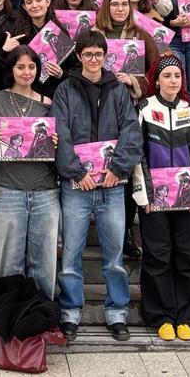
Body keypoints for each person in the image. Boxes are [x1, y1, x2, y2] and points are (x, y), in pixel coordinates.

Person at [51, 31, 143, 342]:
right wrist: (75, 172)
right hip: (76, 185)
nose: (93, 59)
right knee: (71, 254)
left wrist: (119, 168)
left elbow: (131, 129)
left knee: (115, 255)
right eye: (88, 54)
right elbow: (59, 133)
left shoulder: (117, 89)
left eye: (98, 54)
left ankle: (117, 313)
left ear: (105, 56)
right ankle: (70, 312)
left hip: (111, 185)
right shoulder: (65, 89)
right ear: (78, 56)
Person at [131, 54, 190, 342]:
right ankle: (161, 316)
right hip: (155, 200)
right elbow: (138, 156)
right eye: (167, 76)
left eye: (177, 76)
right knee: (157, 257)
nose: (172, 81)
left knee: (188, 256)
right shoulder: (146, 110)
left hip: (187, 198)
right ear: (157, 80)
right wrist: (144, 195)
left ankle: (186, 316)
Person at [0, 46, 60, 297]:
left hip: (46, 191)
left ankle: (39, 318)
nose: (26, 72)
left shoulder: (49, 104)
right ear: (11, 69)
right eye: (20, 67)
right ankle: (5, 318)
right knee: (7, 264)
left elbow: (58, 150)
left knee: (44, 264)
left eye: (31, 67)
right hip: (7, 189)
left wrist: (57, 143)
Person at [95, 0, 159, 259]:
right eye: (115, 4)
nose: (120, 9)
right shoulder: (95, 37)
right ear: (106, 7)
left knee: (130, 171)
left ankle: (126, 234)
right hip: (99, 113)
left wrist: (133, 80)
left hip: (132, 113)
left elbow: (157, 73)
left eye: (124, 4)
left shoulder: (141, 36)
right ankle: (104, 232)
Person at [7, 0, 66, 85]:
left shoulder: (59, 31)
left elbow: (73, 66)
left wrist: (62, 74)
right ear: (24, 7)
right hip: (27, 88)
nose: (34, 5)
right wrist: (5, 51)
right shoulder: (18, 34)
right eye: (29, 2)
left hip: (55, 88)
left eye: (38, 0)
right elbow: (9, 69)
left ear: (48, 1)